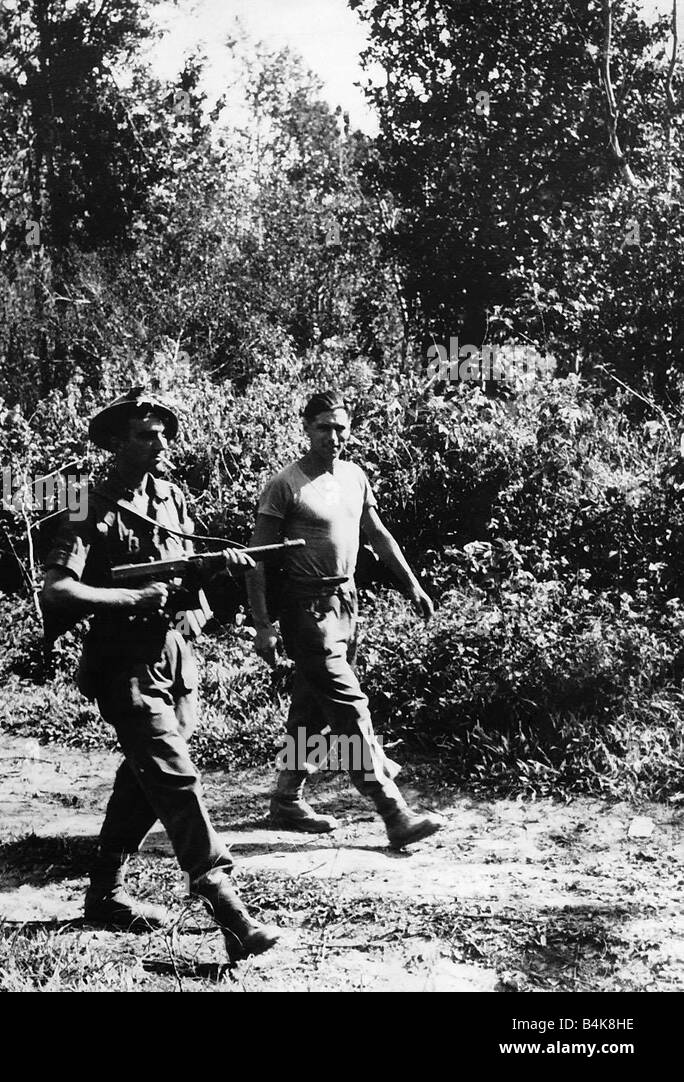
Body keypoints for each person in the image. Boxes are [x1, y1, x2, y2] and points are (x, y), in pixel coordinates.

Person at [40, 388, 280, 964]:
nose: (160, 444)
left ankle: (103, 891)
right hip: (119, 659)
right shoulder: (83, 500)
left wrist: (215, 571)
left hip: (174, 655)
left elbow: (184, 570)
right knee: (174, 775)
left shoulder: (170, 497)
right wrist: (130, 596)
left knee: (149, 771)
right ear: (118, 443)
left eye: (164, 434)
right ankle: (225, 901)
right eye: (146, 436)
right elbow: (56, 589)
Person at [244, 390, 445, 848]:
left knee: (310, 712)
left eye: (340, 428)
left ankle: (286, 800)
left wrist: (411, 584)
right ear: (306, 428)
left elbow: (377, 533)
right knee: (350, 709)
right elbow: (257, 560)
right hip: (304, 610)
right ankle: (393, 811)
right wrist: (263, 625)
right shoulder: (285, 485)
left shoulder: (355, 476)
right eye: (323, 427)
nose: (333, 437)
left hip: (346, 605)